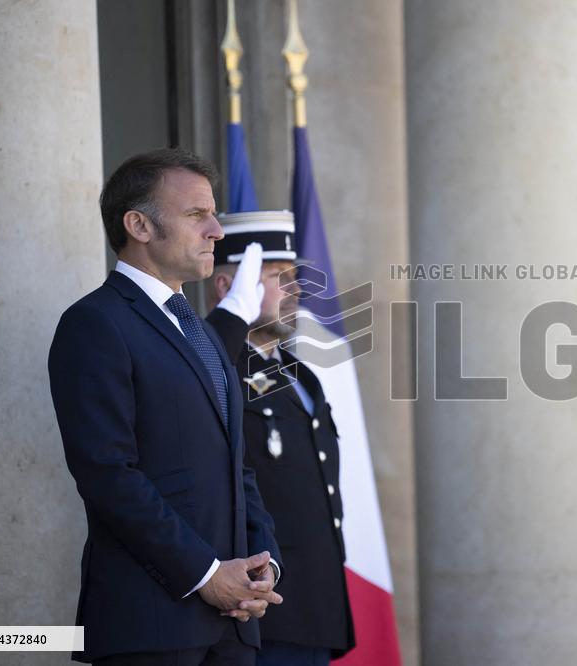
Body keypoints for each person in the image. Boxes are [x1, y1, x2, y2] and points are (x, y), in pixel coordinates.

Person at [48, 148, 285, 664]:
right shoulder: (95, 323)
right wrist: (205, 575)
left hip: (233, 626)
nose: (217, 230)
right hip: (151, 626)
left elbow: (234, 462)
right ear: (139, 225)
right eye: (197, 214)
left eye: (214, 214)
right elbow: (108, 474)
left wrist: (264, 562)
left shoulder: (200, 330)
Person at [205, 211, 354, 666]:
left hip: (313, 604)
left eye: (294, 277)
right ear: (227, 286)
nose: (294, 290)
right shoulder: (216, 363)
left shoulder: (302, 376)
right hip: (257, 608)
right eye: (275, 276)